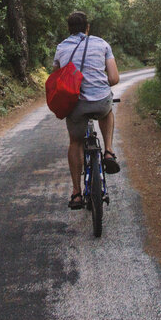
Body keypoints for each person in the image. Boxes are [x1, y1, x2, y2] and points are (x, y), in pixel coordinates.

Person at [51, 11, 121, 210]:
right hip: (100, 101)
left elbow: (57, 78)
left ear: (69, 29)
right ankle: (108, 151)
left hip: (76, 105)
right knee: (107, 111)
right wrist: (98, 84)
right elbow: (114, 79)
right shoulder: (102, 44)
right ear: (87, 27)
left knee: (75, 142)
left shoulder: (61, 48)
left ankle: (76, 193)